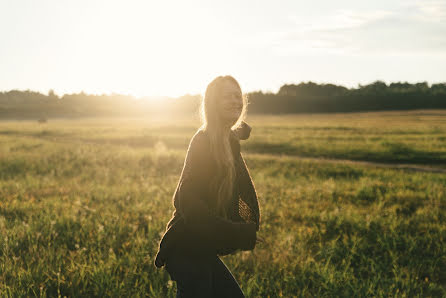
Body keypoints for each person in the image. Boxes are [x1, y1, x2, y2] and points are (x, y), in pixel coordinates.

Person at [154, 75, 261, 297]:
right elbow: (187, 201)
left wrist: (240, 130)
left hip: (202, 247)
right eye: (227, 97)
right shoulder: (203, 141)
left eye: (237, 96)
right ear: (213, 103)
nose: (235, 101)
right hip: (185, 247)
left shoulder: (226, 140)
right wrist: (235, 231)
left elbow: (238, 131)